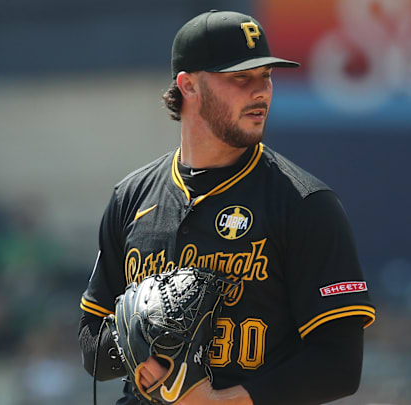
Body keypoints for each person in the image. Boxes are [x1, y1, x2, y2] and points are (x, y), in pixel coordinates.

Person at [78, 10, 375, 405]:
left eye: (266, 76)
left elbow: (339, 365)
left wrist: (227, 402)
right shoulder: (131, 198)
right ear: (188, 86)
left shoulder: (304, 204)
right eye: (240, 78)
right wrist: (138, 348)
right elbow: (91, 347)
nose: (260, 92)